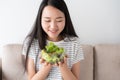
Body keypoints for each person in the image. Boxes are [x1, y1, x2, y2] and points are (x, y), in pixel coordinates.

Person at [22, 0, 84, 80]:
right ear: (40, 20)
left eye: (59, 20)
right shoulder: (31, 43)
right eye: (47, 20)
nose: (53, 26)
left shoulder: (74, 43)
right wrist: (46, 67)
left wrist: (63, 66)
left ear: (66, 19)